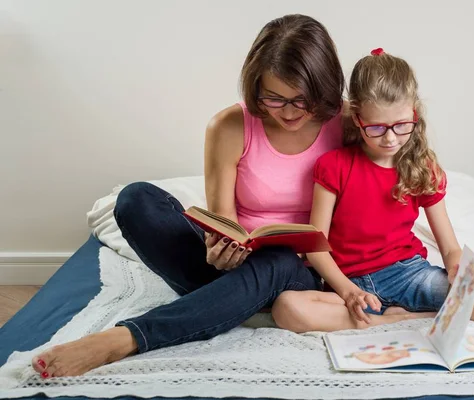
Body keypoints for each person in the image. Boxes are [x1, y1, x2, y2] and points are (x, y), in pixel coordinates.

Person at [31, 14, 345, 378]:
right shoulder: (229, 125)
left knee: (279, 261)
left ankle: (126, 338)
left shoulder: (347, 123)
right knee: (135, 199)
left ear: (323, 88)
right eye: (273, 98)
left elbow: (391, 173)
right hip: (237, 264)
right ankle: (231, 300)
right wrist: (220, 248)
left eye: (301, 100)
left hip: (301, 272)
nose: (289, 112)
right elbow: (223, 217)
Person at [271, 49, 474, 333]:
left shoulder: (421, 167)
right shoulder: (333, 166)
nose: (390, 138)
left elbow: (448, 247)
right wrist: (349, 293)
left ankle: (388, 319)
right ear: (358, 118)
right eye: (376, 127)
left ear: (414, 115)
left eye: (401, 126)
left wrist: (456, 267)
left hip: (411, 275)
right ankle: (399, 319)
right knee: (287, 308)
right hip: (352, 284)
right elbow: (316, 248)